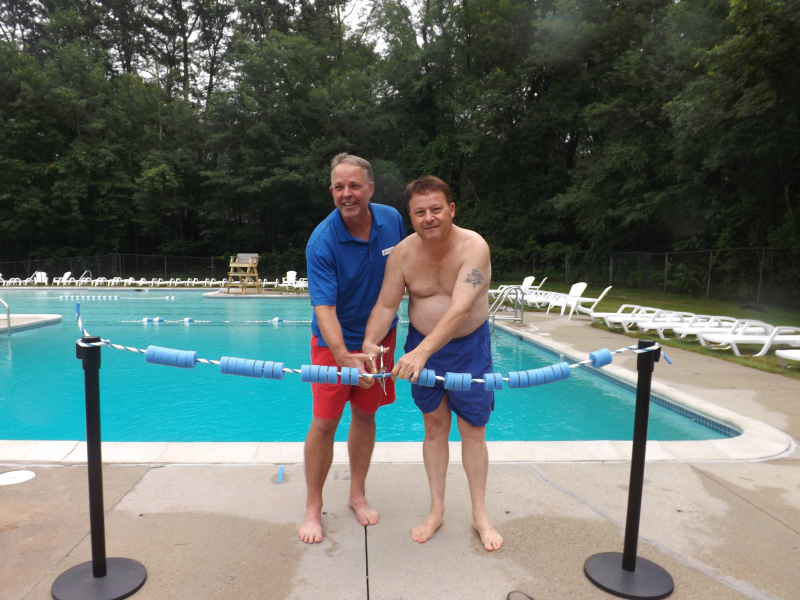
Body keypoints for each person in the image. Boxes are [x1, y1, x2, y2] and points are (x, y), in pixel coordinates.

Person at [362, 175, 504, 552]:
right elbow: (387, 305)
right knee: (434, 426)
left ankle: (480, 515)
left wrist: (421, 353)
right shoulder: (403, 254)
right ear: (411, 217)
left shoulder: (474, 247)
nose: (429, 218)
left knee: (473, 429)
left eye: (436, 209)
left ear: (451, 209)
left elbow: (461, 308)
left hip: (468, 350)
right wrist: (369, 344)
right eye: (420, 212)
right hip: (421, 347)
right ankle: (436, 509)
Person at [299, 153, 407, 544]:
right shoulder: (322, 241)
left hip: (379, 340)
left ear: (370, 188)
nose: (347, 193)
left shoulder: (392, 220)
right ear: (331, 191)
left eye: (355, 186)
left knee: (365, 414)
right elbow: (324, 310)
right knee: (324, 422)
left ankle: (356, 494)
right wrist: (344, 357)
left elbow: (408, 268)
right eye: (339, 187)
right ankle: (313, 507)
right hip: (335, 344)